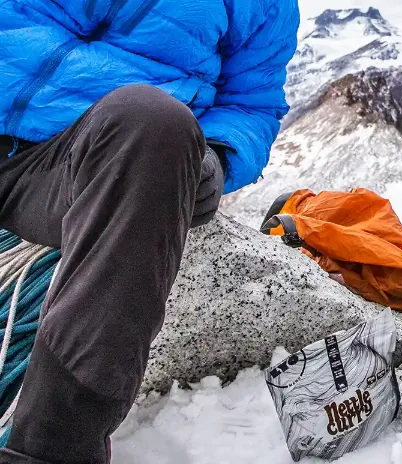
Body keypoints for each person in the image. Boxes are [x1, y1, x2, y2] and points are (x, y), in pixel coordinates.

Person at [0, 1, 299, 462]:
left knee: (154, 122)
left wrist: (220, 155)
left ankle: (51, 448)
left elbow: (252, 104)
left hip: (76, 163)